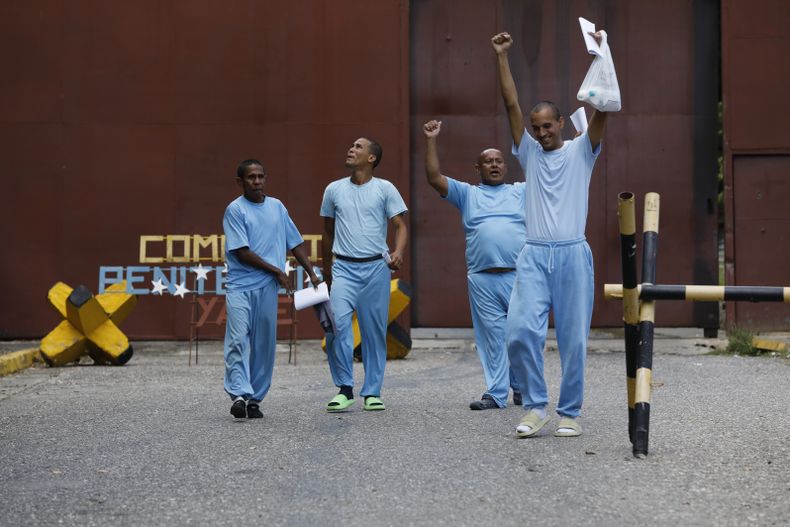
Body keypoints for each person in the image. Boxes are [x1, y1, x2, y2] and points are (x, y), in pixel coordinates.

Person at [492, 30, 609, 437]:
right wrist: (502, 56)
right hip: (535, 255)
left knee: (574, 339)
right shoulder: (527, 153)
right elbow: (511, 101)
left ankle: (570, 413)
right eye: (535, 128)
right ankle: (536, 406)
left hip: (574, 255)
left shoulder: (582, 150)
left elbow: (604, 107)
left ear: (561, 123)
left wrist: (602, 53)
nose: (541, 134)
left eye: (547, 126)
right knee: (520, 332)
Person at [422, 119, 525, 410]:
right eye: (487, 162)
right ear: (477, 169)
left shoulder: (521, 191)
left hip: (519, 276)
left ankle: (521, 387)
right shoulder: (468, 193)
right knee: (493, 337)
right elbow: (433, 177)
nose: (494, 165)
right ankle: (496, 392)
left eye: (499, 161)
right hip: (482, 279)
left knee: (519, 334)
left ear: (505, 167)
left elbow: (553, 177)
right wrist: (431, 140)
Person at [223, 159, 320, 419]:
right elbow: (241, 252)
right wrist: (277, 271)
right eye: (251, 177)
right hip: (240, 286)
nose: (257, 182)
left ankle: (255, 399)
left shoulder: (277, 207)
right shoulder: (235, 210)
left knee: (264, 344)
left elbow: (295, 242)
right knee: (237, 339)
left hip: (267, 287)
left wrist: (312, 272)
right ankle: (240, 394)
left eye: (260, 177)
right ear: (240, 182)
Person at [320, 137, 408, 412]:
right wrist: (326, 272)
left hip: (376, 269)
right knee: (337, 328)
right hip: (343, 269)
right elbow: (327, 231)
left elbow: (400, 226)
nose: (351, 149)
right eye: (351, 146)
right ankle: (345, 389)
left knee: (373, 332)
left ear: (371, 158)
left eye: (358, 147)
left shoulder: (385, 188)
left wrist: (398, 252)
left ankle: (372, 392)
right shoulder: (333, 189)